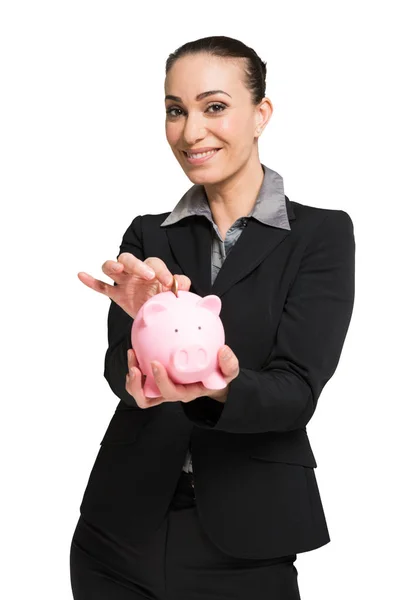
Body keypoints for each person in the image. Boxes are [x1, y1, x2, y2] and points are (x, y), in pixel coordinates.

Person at [69, 35, 355, 600]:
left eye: (214, 106)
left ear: (260, 114)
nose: (191, 131)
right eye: (176, 110)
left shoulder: (320, 236)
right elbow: (118, 374)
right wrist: (137, 375)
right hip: (118, 532)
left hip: (246, 543)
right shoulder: (149, 235)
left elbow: (296, 390)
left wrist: (215, 385)